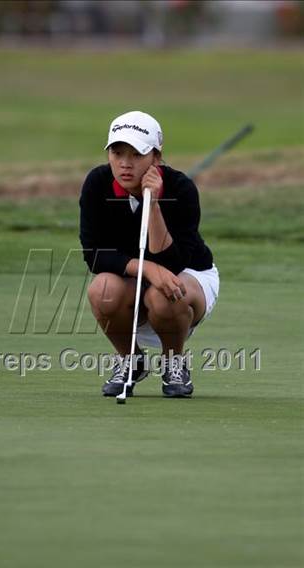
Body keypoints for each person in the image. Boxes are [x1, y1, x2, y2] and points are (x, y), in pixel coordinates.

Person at [79, 111, 219, 398]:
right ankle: (130, 360)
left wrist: (153, 204)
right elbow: (93, 254)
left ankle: (173, 363)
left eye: (136, 154)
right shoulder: (97, 184)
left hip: (189, 274)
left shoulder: (181, 189)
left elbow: (172, 264)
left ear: (156, 157)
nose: (125, 164)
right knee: (101, 290)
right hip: (135, 275)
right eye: (117, 153)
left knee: (162, 295)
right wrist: (146, 270)